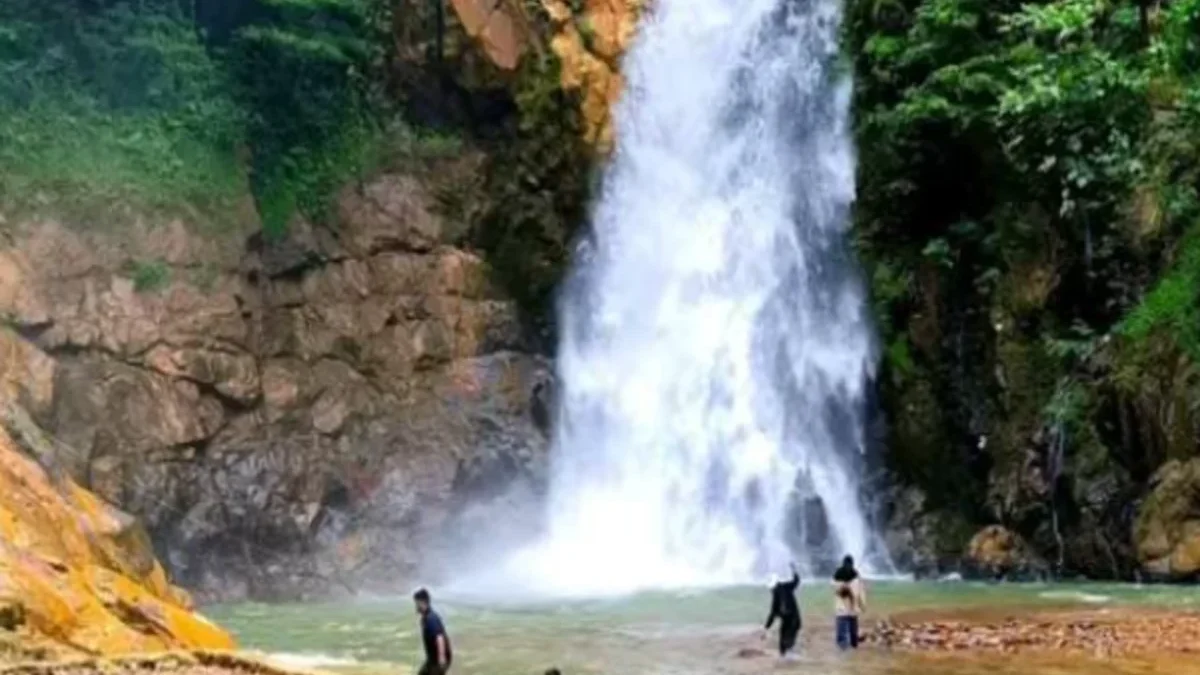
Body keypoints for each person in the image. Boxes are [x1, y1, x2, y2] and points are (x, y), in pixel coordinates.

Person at [763, 562, 802, 658]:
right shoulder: (786, 587)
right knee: (786, 640)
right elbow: (796, 581)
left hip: (792, 620)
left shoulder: (778, 593)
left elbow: (773, 613)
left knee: (785, 641)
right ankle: (787, 656)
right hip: (793, 620)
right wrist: (794, 570)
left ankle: (786, 657)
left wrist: (766, 627)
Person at [413, 588, 452, 674]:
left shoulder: (431, 618)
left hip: (438, 659)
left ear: (422, 602)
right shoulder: (425, 617)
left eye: (416, 603)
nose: (416, 606)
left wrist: (441, 658)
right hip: (432, 659)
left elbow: (439, 637)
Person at [832, 555, 866, 650]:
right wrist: (863, 606)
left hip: (841, 611)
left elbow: (836, 591)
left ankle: (844, 657)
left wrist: (843, 586)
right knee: (853, 638)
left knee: (842, 639)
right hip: (852, 610)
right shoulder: (856, 575)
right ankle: (853, 656)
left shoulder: (837, 575)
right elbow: (861, 592)